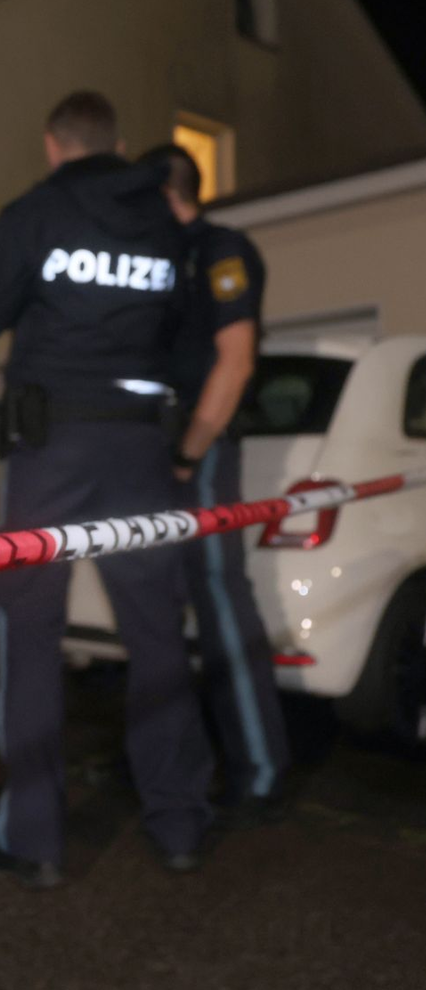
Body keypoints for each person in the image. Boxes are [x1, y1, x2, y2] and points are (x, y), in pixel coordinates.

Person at [0, 91, 213, 887]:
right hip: (137, 443)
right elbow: (183, 331)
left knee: (29, 632)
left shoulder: (37, 211)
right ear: (119, 142)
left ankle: (33, 842)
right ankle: (179, 827)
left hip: (52, 443)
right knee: (157, 633)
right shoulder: (165, 225)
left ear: (52, 143)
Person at [142, 143, 290, 824]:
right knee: (166, 609)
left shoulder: (220, 248)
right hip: (159, 447)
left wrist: (185, 453)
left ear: (166, 191)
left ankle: (260, 770)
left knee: (221, 599)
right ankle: (191, 767)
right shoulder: (163, 260)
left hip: (197, 449)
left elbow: (233, 364)